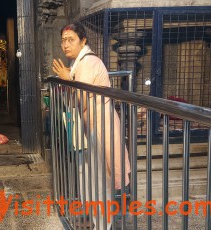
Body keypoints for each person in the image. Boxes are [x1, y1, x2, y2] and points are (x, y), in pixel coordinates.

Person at [52, 22, 131, 229]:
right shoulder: (80, 62)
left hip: (100, 127)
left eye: (71, 40)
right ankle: (99, 224)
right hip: (94, 126)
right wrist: (69, 78)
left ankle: (102, 226)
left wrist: (67, 80)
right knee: (93, 180)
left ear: (83, 41)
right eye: (63, 40)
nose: (65, 45)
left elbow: (82, 100)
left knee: (98, 182)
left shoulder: (87, 63)